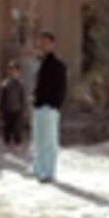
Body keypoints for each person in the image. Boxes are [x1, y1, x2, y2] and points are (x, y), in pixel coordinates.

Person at [30, 30, 66, 183]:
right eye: (41, 42)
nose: (43, 45)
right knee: (38, 139)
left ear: (52, 44)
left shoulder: (58, 65)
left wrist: (54, 105)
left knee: (49, 141)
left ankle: (48, 172)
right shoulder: (40, 63)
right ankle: (38, 168)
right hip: (38, 106)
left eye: (46, 42)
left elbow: (62, 88)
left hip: (50, 107)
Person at [0, 60, 26, 148]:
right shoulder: (4, 84)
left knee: (17, 127)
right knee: (6, 127)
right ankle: (6, 142)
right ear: (8, 71)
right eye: (11, 70)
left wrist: (23, 109)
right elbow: (2, 97)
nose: (13, 73)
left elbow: (22, 98)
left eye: (15, 71)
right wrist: (1, 109)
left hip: (17, 109)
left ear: (19, 72)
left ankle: (18, 142)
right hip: (7, 109)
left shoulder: (20, 84)